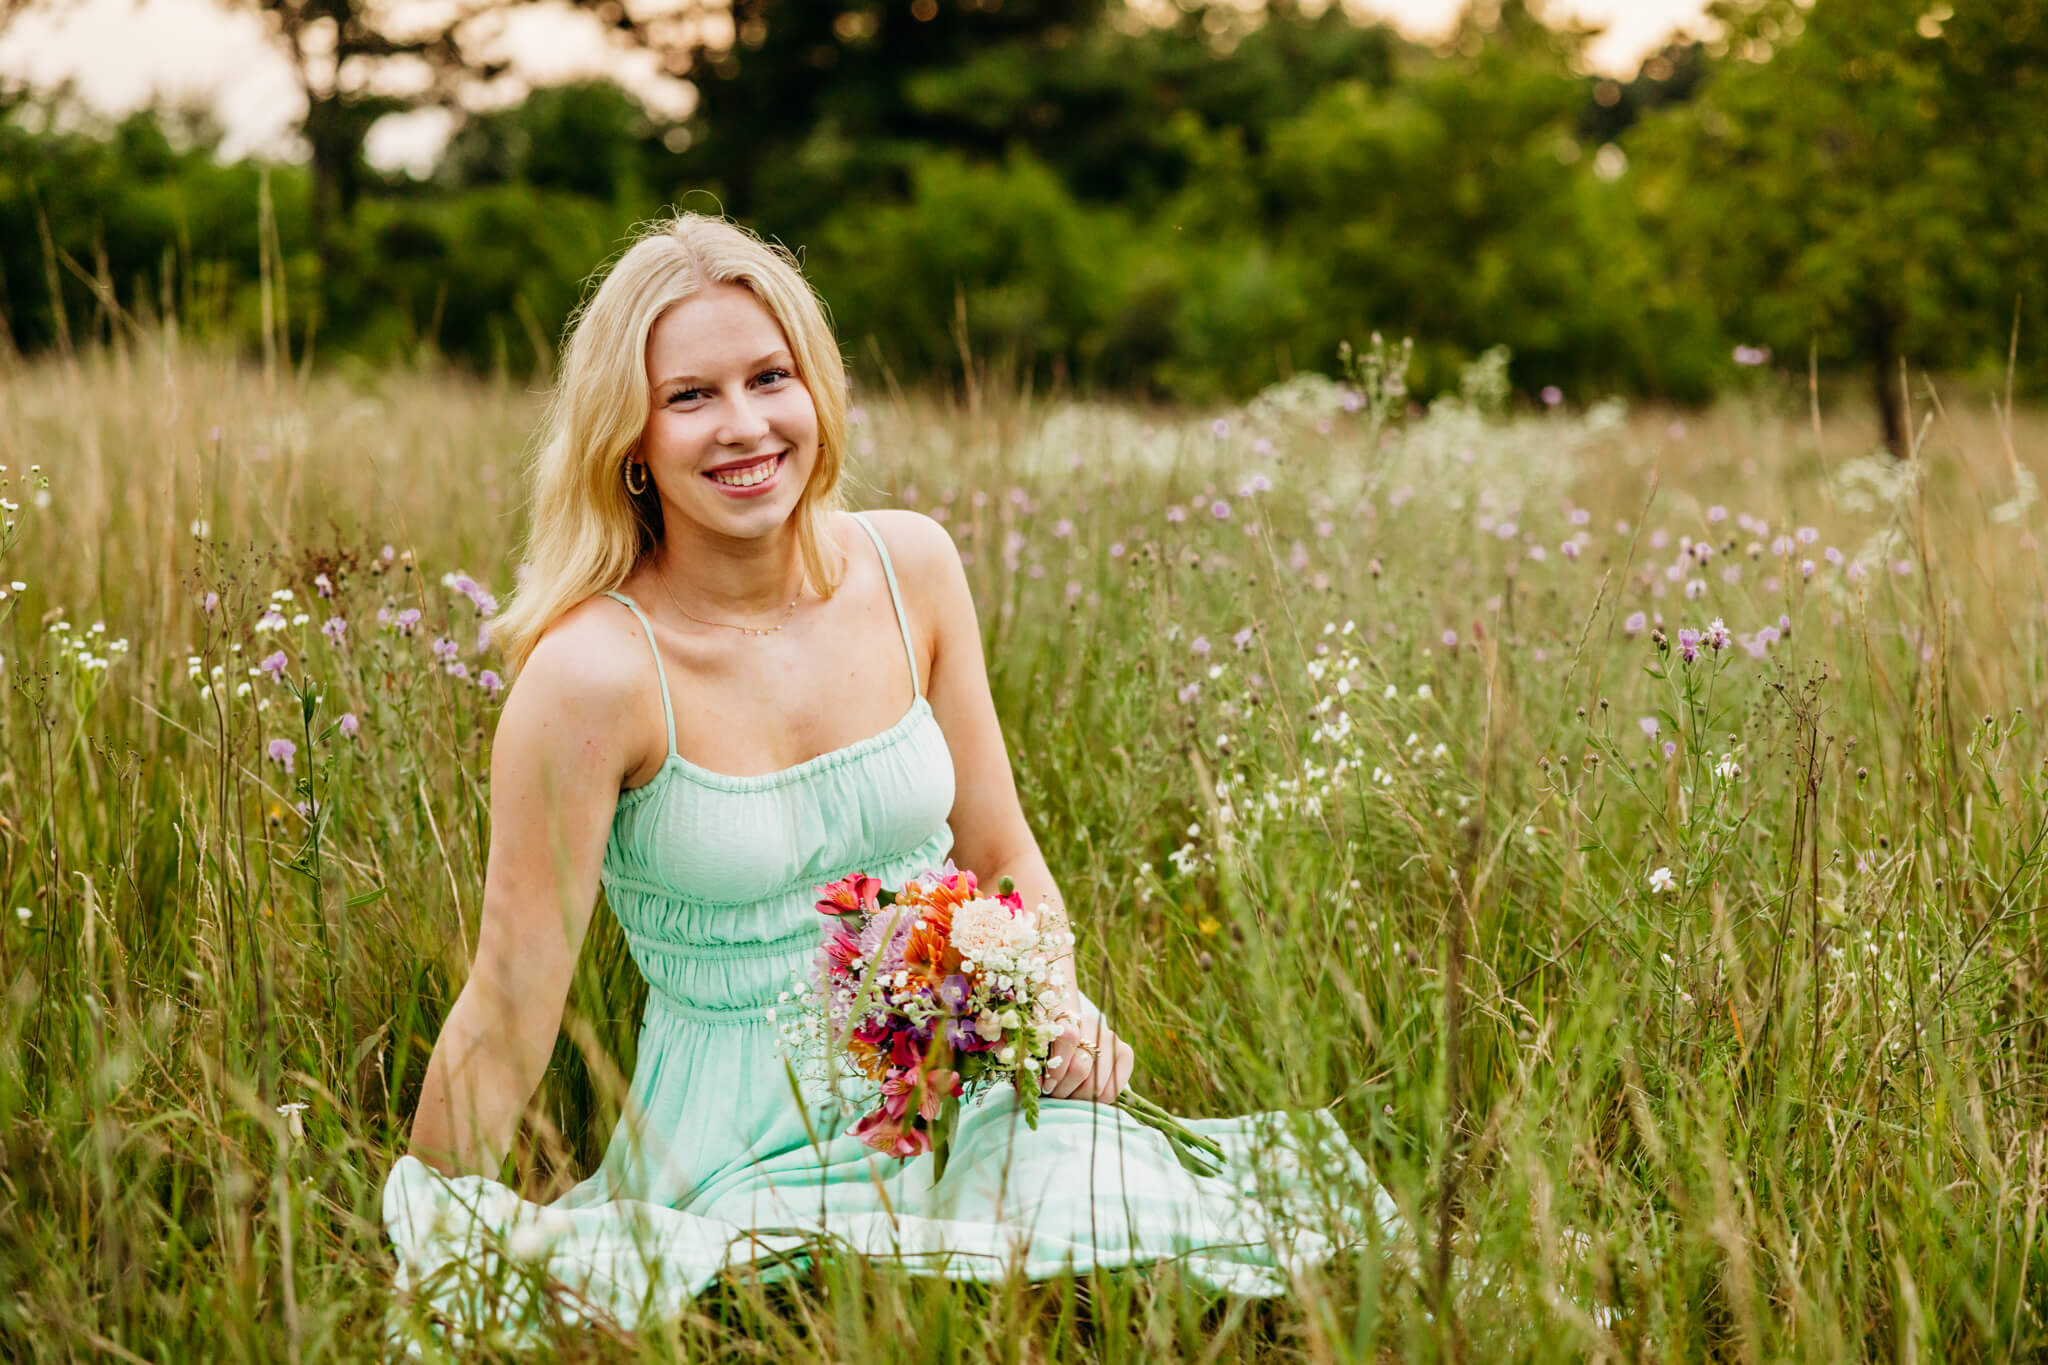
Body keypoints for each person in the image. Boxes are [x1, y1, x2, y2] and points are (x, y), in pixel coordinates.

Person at [383, 212, 1395, 1345]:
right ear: (629, 438)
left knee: (1166, 1281)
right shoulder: (589, 677)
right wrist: (432, 1231)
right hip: (744, 1143)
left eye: (771, 377)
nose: (746, 426)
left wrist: (1054, 1006)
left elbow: (1002, 860)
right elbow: (513, 1000)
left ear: (818, 388)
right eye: (690, 396)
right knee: (833, 1317)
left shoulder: (911, 565)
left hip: (979, 1092)